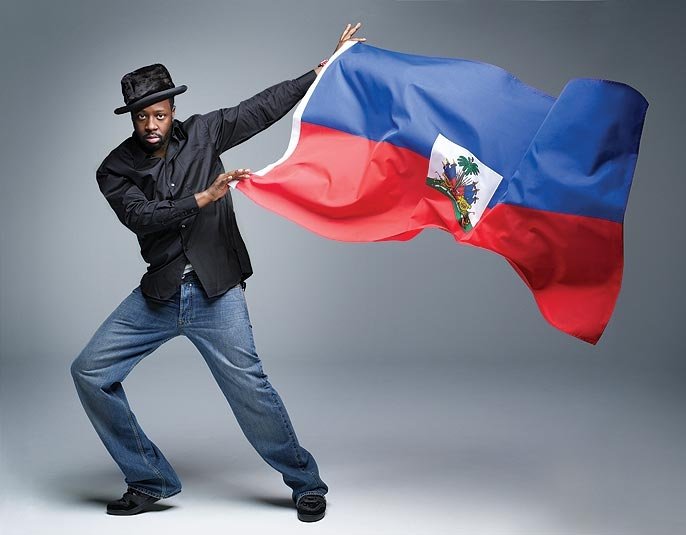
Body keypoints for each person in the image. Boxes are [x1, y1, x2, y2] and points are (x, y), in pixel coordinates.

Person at [70, 23, 366, 522]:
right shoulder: (114, 168)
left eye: (159, 113)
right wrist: (202, 198)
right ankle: (150, 478)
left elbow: (261, 108)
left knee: (252, 391)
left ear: (172, 110)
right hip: (161, 293)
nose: (151, 124)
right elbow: (140, 217)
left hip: (217, 290)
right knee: (90, 372)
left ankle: (306, 484)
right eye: (141, 116)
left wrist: (322, 70)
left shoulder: (205, 133)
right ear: (132, 118)